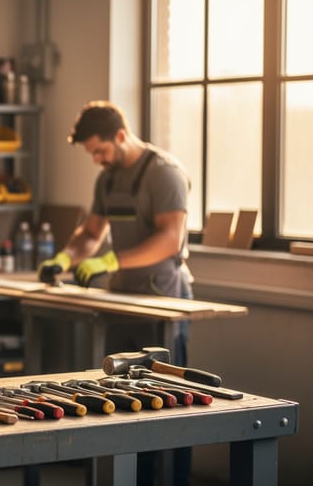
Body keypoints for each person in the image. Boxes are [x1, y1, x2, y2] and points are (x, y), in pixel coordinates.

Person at [37, 100, 192, 486]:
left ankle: (172, 479)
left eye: (100, 151)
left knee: (170, 399)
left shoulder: (164, 173)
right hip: (122, 301)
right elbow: (91, 234)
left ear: (120, 136)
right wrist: (65, 259)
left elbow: (170, 240)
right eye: (91, 153)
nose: (97, 160)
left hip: (164, 300)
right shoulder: (107, 179)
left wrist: (110, 262)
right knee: (122, 396)